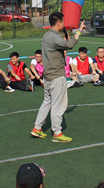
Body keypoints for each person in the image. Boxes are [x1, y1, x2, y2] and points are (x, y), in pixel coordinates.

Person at [30, 12, 85, 143]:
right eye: (63, 21)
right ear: (59, 23)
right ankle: (57, 133)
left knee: (47, 102)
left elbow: (61, 44)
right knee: (59, 105)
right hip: (56, 76)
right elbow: (70, 44)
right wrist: (78, 32)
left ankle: (37, 128)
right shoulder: (54, 37)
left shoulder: (47, 35)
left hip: (47, 75)